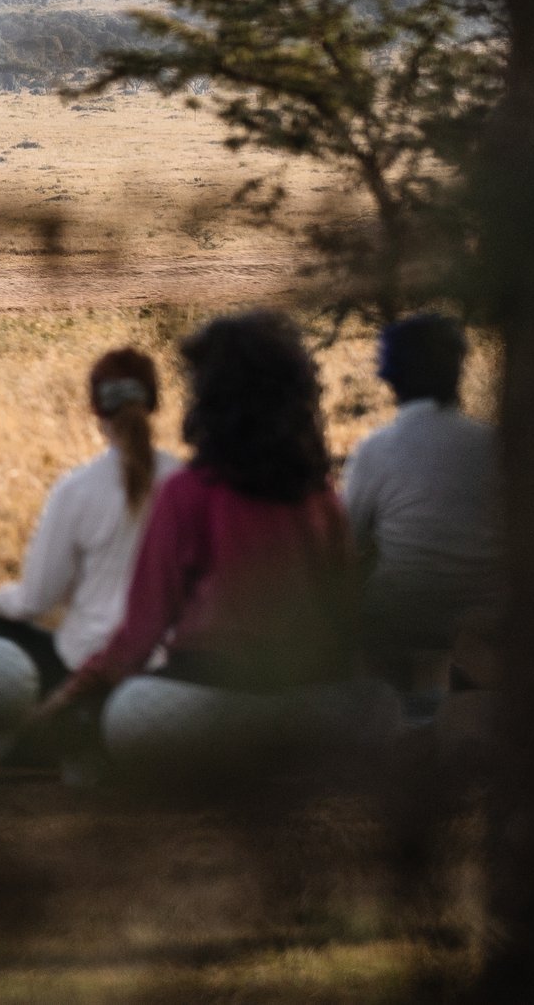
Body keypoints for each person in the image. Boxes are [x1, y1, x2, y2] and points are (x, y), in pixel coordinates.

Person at [35, 311, 381, 775]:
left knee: (129, 711)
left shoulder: (188, 491)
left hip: (205, 704)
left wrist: (69, 696)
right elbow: (347, 623)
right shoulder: (320, 498)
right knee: (379, 706)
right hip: (313, 706)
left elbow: (138, 637)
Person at [0, 348, 179, 694]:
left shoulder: (77, 489)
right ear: (154, 403)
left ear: (96, 408)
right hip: (166, 666)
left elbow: (36, 600)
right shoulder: (185, 482)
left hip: (87, 664)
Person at [342, 313, 503, 688]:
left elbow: (347, 539)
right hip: (485, 615)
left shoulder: (376, 449)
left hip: (401, 617)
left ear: (389, 376)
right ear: (458, 370)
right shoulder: (495, 443)